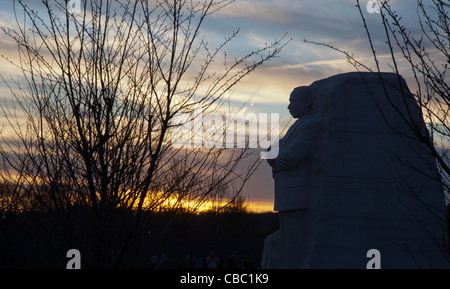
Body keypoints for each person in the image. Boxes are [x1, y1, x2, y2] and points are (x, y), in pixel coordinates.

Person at [266, 86, 328, 269]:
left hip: (297, 196)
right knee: (288, 246)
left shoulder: (311, 125)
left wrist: (276, 158)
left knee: (296, 248)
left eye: (293, 101)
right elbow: (271, 152)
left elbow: (287, 158)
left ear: (307, 102)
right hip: (287, 195)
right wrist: (276, 157)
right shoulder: (298, 126)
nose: (289, 107)